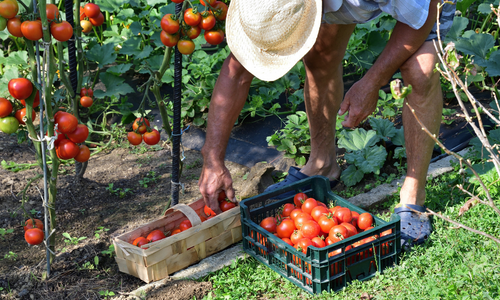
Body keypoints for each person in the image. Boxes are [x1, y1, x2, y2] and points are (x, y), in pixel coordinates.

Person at [198, 0, 456, 249]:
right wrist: (212, 159)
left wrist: (372, 82)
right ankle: (321, 164)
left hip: (423, 5)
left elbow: (421, 19)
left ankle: (413, 193)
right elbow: (235, 72)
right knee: (320, 53)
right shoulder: (266, 8)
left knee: (419, 70)